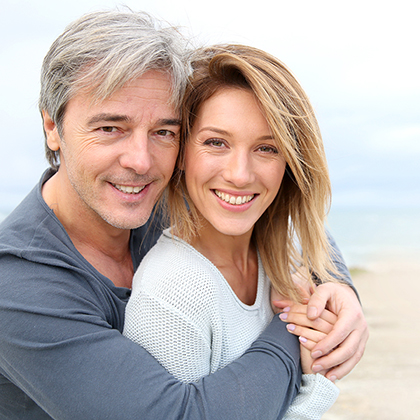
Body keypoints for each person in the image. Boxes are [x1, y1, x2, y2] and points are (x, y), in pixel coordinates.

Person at [0, 9, 367, 420]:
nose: (141, 161)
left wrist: (339, 290)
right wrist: (293, 326)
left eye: (164, 132)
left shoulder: (161, 195)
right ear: (53, 126)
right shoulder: (16, 285)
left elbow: (280, 220)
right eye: (110, 128)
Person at [123, 44, 341, 418]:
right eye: (216, 143)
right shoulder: (172, 292)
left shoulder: (285, 251)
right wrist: (319, 383)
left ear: (290, 163)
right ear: (182, 153)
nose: (240, 174)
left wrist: (337, 294)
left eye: (267, 148)